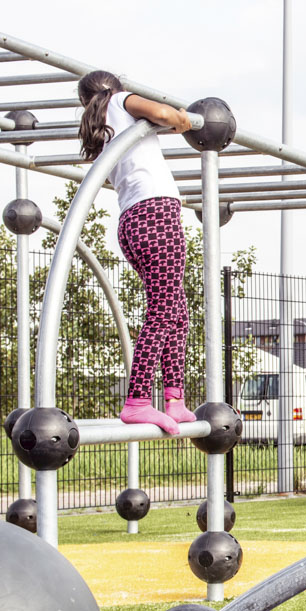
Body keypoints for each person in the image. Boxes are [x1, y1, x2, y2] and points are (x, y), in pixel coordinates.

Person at [78, 71, 195, 436]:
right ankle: (138, 401)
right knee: (164, 312)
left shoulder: (100, 127)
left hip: (135, 221)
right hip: (156, 216)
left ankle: (174, 398)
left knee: (176, 311)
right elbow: (169, 116)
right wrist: (184, 120)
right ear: (114, 88)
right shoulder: (118, 102)